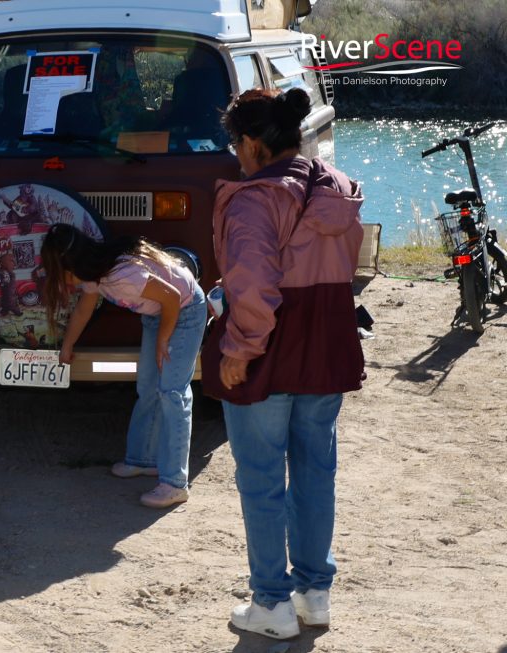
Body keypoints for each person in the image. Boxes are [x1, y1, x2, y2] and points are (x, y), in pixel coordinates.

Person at [203, 87, 364, 640]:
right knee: (317, 473)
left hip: (269, 349)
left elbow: (251, 285)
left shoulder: (254, 198)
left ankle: (271, 602)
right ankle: (314, 595)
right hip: (327, 341)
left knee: (263, 479)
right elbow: (351, 264)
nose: (235, 156)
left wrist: (237, 350)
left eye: (235, 145)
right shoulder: (337, 186)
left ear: (251, 143)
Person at [40, 224, 207, 508]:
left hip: (185, 311)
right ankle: (143, 459)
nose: (62, 281)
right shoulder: (94, 275)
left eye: (59, 272)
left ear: (73, 265)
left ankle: (174, 483)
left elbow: (172, 298)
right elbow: (84, 308)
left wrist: (163, 341)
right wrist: (67, 345)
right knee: (148, 386)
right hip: (159, 315)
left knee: (173, 393)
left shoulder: (123, 276)